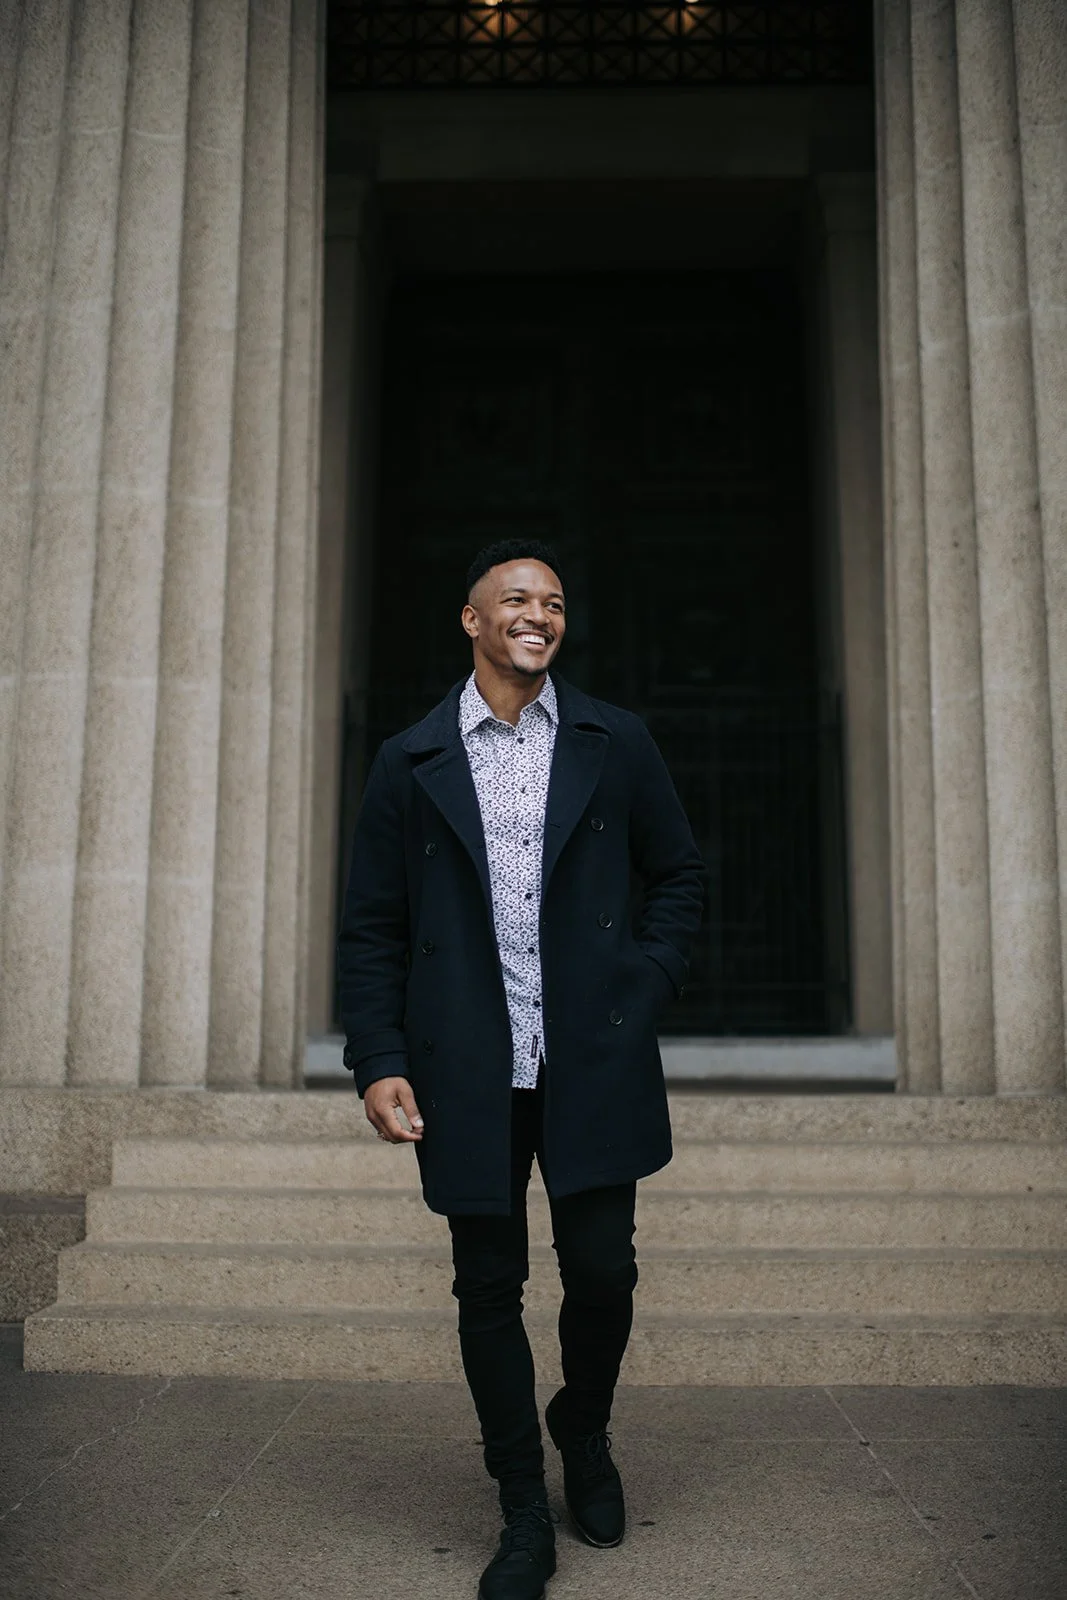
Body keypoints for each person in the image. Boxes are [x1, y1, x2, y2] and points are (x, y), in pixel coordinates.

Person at [337, 538, 704, 1600]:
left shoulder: (612, 739)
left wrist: (643, 986)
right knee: (486, 1286)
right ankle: (516, 1506)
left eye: (550, 601)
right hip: (465, 1063)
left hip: (589, 1053)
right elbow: (370, 928)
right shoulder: (410, 761)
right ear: (470, 620)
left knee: (603, 1270)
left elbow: (676, 873)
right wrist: (378, 1060)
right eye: (514, 599)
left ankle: (580, 1429)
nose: (537, 614)